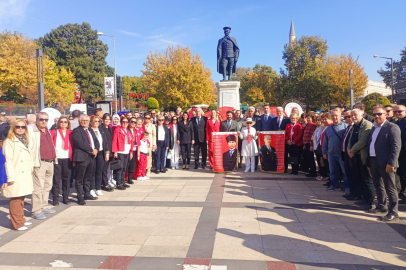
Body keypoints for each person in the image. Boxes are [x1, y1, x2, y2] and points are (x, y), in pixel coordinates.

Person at [367, 107, 401, 221]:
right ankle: (382, 207)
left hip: (386, 163)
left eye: (379, 114)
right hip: (374, 161)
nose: (376, 116)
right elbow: (370, 144)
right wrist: (369, 161)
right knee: (378, 186)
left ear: (385, 114)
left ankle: (393, 212)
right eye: (374, 114)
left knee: (390, 188)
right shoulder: (374, 128)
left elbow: (396, 147)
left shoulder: (392, 127)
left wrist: (391, 163)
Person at [2, 120, 34, 231]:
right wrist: (10, 177)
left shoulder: (26, 140)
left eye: (23, 127)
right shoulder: (9, 141)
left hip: (24, 172)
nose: (20, 129)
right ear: (13, 128)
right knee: (15, 199)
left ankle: (21, 219)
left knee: (21, 198)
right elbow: (7, 160)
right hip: (15, 173)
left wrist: (31, 167)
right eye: (17, 127)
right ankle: (17, 223)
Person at [30, 112, 57, 219]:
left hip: (50, 162)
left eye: (46, 120)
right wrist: (32, 164)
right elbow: (31, 148)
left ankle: (44, 205)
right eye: (41, 119)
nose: (44, 121)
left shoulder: (47, 130)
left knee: (47, 186)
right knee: (38, 187)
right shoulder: (33, 132)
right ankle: (36, 210)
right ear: (37, 120)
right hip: (40, 163)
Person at [346, 109, 374, 207]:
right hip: (354, 156)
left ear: (362, 114)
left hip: (363, 156)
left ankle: (371, 202)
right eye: (351, 115)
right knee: (358, 177)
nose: (353, 117)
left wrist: (352, 150)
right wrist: (349, 149)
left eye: (355, 115)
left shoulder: (367, 125)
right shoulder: (354, 125)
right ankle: (362, 197)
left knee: (367, 179)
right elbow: (350, 139)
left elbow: (363, 141)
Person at [72, 114, 100, 204]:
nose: (85, 122)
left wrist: (96, 149)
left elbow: (96, 141)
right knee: (80, 178)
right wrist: (91, 150)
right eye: (83, 120)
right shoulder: (76, 131)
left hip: (91, 157)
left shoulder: (90, 130)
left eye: (86, 121)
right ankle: (80, 196)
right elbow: (80, 143)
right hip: (82, 157)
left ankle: (87, 193)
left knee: (88, 176)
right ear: (80, 121)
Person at [322, 109, 349, 192]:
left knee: (345, 172)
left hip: (342, 154)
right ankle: (334, 185)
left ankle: (347, 187)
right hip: (331, 154)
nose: (334, 117)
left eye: (336, 115)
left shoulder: (345, 127)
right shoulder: (328, 129)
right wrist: (324, 152)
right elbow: (325, 141)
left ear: (340, 116)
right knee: (332, 171)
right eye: (333, 116)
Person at [50, 116, 73, 205]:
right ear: (58, 123)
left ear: (68, 124)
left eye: (65, 122)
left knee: (66, 179)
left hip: (67, 158)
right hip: (57, 158)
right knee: (56, 180)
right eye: (62, 122)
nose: (63, 123)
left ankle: (65, 197)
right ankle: (55, 198)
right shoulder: (53, 132)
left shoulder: (71, 133)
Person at [89, 116, 109, 197]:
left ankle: (98, 188)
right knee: (92, 171)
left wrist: (107, 153)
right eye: (95, 121)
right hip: (92, 153)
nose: (97, 123)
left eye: (98, 121)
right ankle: (92, 188)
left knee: (99, 171)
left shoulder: (101, 130)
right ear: (91, 122)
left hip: (101, 152)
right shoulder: (89, 130)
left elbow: (105, 142)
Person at [112, 117, 133, 189]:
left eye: (126, 122)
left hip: (127, 151)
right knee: (120, 168)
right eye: (123, 122)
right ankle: (118, 183)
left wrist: (131, 152)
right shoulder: (118, 130)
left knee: (125, 167)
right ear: (121, 122)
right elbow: (114, 140)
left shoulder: (128, 131)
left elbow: (131, 142)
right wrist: (115, 151)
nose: (125, 123)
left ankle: (122, 181)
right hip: (120, 151)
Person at [340, 109, 355, 197]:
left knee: (353, 174)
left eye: (349, 116)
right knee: (348, 173)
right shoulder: (348, 127)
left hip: (352, 154)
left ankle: (354, 192)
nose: (347, 119)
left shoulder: (354, 127)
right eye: (345, 117)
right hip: (345, 153)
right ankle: (351, 192)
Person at [99, 114, 114, 191]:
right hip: (104, 152)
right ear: (103, 120)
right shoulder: (100, 128)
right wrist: (107, 153)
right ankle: (105, 184)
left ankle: (104, 182)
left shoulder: (110, 128)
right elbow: (104, 142)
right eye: (105, 119)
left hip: (110, 151)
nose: (107, 121)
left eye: (108, 119)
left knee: (106, 168)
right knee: (103, 169)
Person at [303, 112, 317, 177]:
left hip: (309, 143)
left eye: (309, 118)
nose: (308, 120)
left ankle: (313, 172)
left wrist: (311, 145)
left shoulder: (312, 125)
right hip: (306, 143)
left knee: (311, 158)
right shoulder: (307, 125)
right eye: (307, 118)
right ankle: (310, 170)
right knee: (308, 158)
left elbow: (312, 136)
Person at [311, 115, 325, 180]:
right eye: (316, 120)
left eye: (319, 120)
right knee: (318, 160)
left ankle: (323, 174)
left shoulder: (323, 127)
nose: (317, 121)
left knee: (322, 160)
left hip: (320, 147)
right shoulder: (316, 127)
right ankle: (320, 173)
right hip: (316, 147)